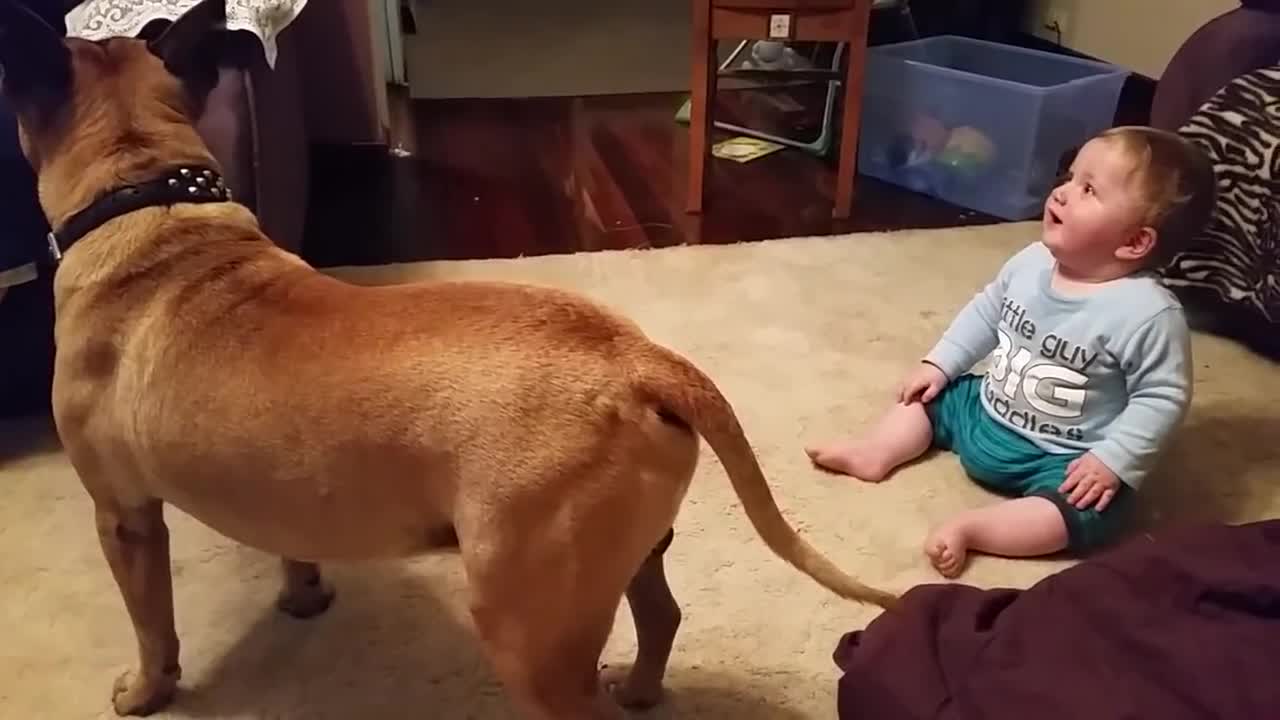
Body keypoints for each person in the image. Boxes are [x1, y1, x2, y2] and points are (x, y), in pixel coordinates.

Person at [806, 126, 1218, 578]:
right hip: (986, 409)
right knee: (929, 398)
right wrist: (940, 363)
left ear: (1134, 242)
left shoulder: (1147, 314)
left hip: (1063, 455)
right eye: (1069, 176)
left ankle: (975, 529)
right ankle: (875, 452)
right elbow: (986, 312)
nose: (1061, 193)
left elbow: (1162, 397)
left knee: (1099, 509)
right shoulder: (1031, 261)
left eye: (1088, 189)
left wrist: (1113, 459)